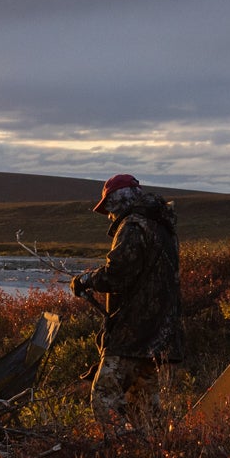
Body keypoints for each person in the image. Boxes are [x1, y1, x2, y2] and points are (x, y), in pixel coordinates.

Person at [70, 172, 183, 423]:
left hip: (133, 334)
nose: (109, 215)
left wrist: (87, 280)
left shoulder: (133, 226)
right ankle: (149, 453)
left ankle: (118, 450)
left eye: (109, 208)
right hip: (160, 335)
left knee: (104, 397)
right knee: (145, 409)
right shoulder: (164, 227)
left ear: (118, 201)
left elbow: (118, 275)